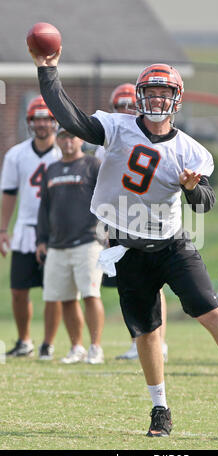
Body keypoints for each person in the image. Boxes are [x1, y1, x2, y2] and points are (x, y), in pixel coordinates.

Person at [30, 47, 218, 437]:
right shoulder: (116, 127)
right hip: (126, 246)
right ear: (139, 96)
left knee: (211, 311)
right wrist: (47, 71)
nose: (156, 99)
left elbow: (204, 204)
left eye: (163, 94)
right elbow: (72, 118)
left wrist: (191, 188)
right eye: (150, 93)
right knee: (147, 332)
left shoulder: (191, 150)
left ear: (176, 100)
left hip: (172, 244)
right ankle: (160, 409)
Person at [95, 82, 168, 361]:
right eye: (119, 107)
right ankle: (141, 340)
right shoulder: (107, 143)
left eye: (129, 105)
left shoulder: (152, 139)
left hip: (148, 218)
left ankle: (157, 342)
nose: (125, 112)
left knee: (152, 283)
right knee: (130, 282)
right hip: (118, 219)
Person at [36, 126, 105, 365]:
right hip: (57, 244)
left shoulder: (92, 165)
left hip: (87, 241)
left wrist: (105, 231)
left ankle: (95, 347)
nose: (67, 141)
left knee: (90, 294)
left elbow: (107, 199)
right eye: (63, 136)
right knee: (65, 298)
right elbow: (44, 208)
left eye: (72, 136)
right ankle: (77, 346)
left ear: (80, 139)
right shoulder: (51, 169)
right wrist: (41, 240)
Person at [0, 95, 62, 358]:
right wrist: (3, 229)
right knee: (17, 290)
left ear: (54, 122)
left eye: (46, 119)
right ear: (29, 122)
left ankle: (48, 343)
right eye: (36, 120)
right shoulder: (16, 154)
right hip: (26, 229)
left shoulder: (64, 152)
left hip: (58, 232)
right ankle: (24, 340)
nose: (41, 125)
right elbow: (9, 193)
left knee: (54, 291)